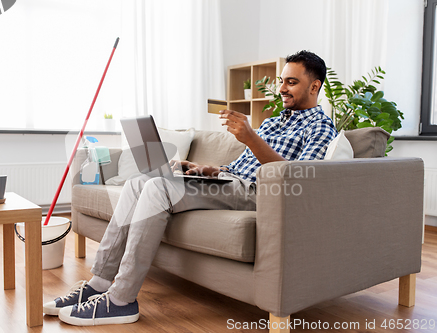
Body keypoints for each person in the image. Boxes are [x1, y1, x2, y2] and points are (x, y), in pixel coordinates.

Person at [43, 50, 338, 326]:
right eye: (282, 81)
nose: (283, 88)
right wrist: (211, 169)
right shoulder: (273, 122)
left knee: (158, 189)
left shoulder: (321, 127)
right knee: (137, 184)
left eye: (292, 82)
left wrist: (250, 137)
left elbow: (294, 176)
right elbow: (241, 165)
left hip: (259, 193)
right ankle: (99, 283)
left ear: (314, 87)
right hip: (232, 182)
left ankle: (122, 299)